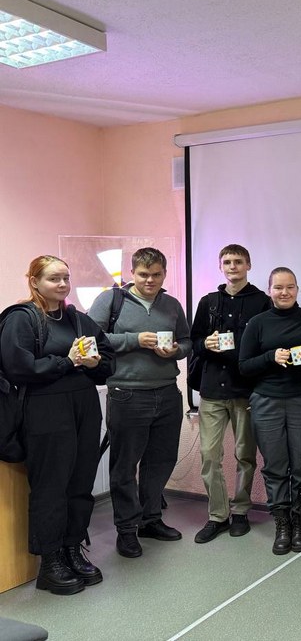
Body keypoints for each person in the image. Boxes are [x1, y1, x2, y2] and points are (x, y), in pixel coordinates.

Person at [0, 256, 114, 595]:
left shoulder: (78, 320)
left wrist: (93, 363)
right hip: (45, 410)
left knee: (80, 482)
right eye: (54, 278)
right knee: (51, 485)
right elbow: (18, 367)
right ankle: (50, 562)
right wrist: (67, 362)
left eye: (66, 277)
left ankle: (72, 548)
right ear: (34, 281)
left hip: (84, 407)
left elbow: (108, 362)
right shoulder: (21, 319)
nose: (62, 284)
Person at [89, 247, 191, 559]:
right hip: (127, 394)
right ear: (132, 273)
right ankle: (127, 530)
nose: (150, 280)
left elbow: (187, 341)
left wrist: (175, 350)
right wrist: (136, 340)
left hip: (167, 393)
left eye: (156, 275)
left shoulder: (172, 304)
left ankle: (150, 520)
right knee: (124, 466)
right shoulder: (111, 300)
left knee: (161, 461)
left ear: (164, 274)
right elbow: (92, 339)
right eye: (144, 274)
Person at [189, 244, 271, 543]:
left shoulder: (263, 302)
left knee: (245, 456)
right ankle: (217, 515)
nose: (232, 266)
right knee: (209, 456)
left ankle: (240, 512)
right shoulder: (208, 302)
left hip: (245, 391)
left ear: (248, 265)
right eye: (227, 262)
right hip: (212, 390)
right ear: (220, 266)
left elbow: (266, 344)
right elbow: (193, 341)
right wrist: (204, 344)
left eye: (238, 261)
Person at [239, 267, 301, 555]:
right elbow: (244, 366)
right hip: (267, 402)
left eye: (290, 287)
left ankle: (300, 524)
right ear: (269, 290)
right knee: (274, 467)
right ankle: (282, 524)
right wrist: (269, 357)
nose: (284, 292)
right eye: (278, 287)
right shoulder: (258, 323)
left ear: (297, 289)